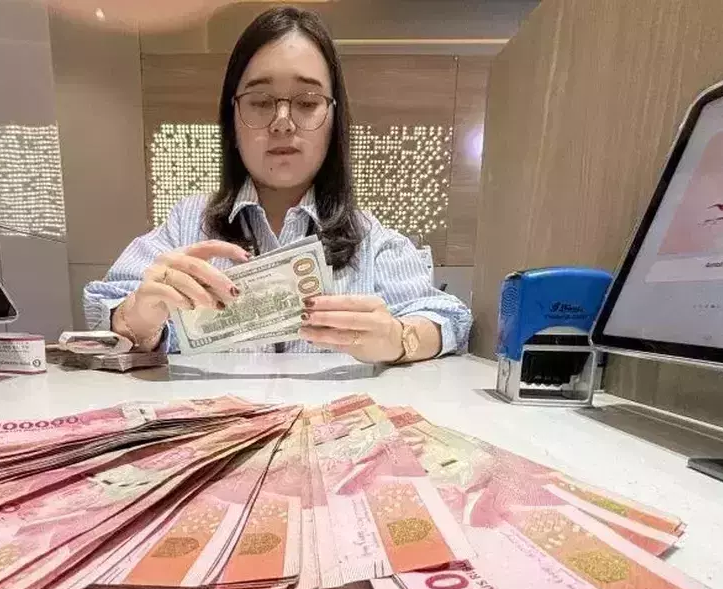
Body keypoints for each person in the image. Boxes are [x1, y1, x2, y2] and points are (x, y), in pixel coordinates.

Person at [83, 7, 472, 364]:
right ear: (232, 118)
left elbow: (449, 317)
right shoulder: (188, 225)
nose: (283, 122)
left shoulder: (368, 237)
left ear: (334, 120)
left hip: (332, 432)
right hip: (216, 430)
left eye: (306, 102)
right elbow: (104, 310)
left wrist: (400, 338)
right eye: (260, 101)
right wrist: (140, 316)